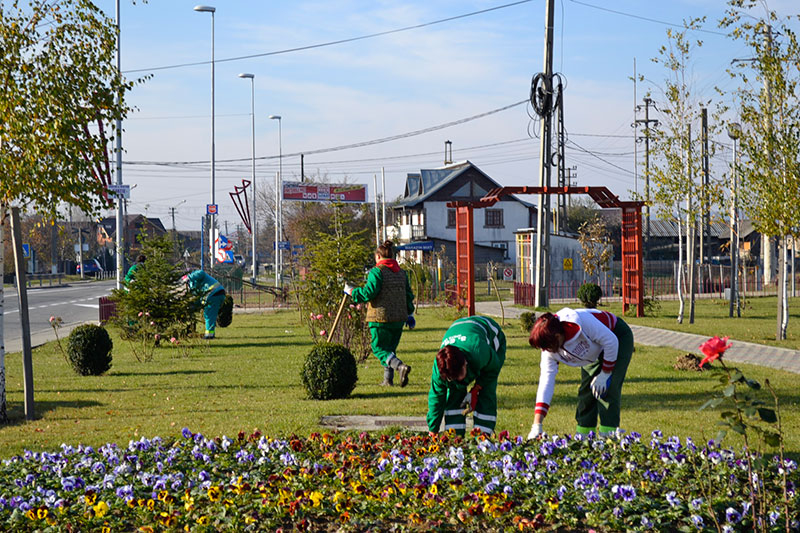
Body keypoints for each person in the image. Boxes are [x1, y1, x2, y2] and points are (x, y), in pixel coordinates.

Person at [527, 308, 634, 439]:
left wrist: (605, 373)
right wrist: (537, 424)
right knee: (586, 391)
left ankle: (609, 439)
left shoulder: (581, 323)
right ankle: (584, 439)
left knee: (607, 389)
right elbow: (546, 382)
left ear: (557, 337)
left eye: (549, 346)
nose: (548, 351)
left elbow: (610, 341)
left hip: (616, 336)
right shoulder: (549, 348)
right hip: (593, 351)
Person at [344, 240, 415, 387]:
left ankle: (399, 366)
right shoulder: (402, 273)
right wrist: (410, 313)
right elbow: (408, 295)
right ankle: (388, 380)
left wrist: (352, 292)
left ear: (378, 256)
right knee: (390, 349)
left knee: (378, 348)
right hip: (399, 318)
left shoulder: (377, 272)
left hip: (380, 318)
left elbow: (368, 293)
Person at [427, 315, 506, 435]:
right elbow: (436, 398)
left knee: (486, 393)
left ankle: (483, 438)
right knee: (454, 394)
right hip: (460, 329)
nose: (460, 379)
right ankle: (454, 438)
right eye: (454, 378)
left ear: (465, 363)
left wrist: (477, 388)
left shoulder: (479, 351)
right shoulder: (440, 369)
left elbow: (493, 368)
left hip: (491, 335)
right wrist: (433, 429)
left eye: (461, 374)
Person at [181, 269, 226, 340]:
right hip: (214, 294)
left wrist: (189, 277)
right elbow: (197, 296)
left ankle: (209, 335)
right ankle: (209, 334)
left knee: (209, 314)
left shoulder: (195, 275)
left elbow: (201, 273)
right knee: (208, 314)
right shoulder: (192, 284)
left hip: (214, 293)